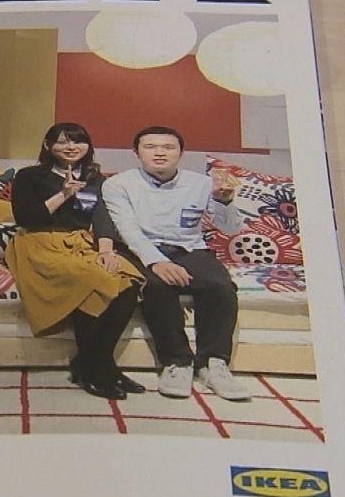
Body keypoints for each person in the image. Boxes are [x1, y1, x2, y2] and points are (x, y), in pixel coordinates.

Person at [102, 126, 251, 401]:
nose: (159, 153)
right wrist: (157, 262)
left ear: (181, 153)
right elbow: (128, 230)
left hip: (190, 248)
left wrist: (225, 202)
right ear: (136, 153)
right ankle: (177, 362)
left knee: (220, 286)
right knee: (157, 287)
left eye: (168, 147)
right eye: (150, 147)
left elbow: (230, 229)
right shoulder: (118, 184)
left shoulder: (202, 183)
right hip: (143, 250)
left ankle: (213, 364)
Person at [5, 123, 144, 400]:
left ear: (88, 146)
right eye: (62, 142)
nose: (71, 147)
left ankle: (99, 362)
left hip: (80, 242)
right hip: (39, 242)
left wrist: (106, 251)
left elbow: (103, 216)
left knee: (127, 281)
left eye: (78, 141)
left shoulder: (96, 178)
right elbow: (26, 218)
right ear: (48, 146)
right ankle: (95, 369)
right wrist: (64, 194)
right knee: (90, 281)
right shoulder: (29, 176)